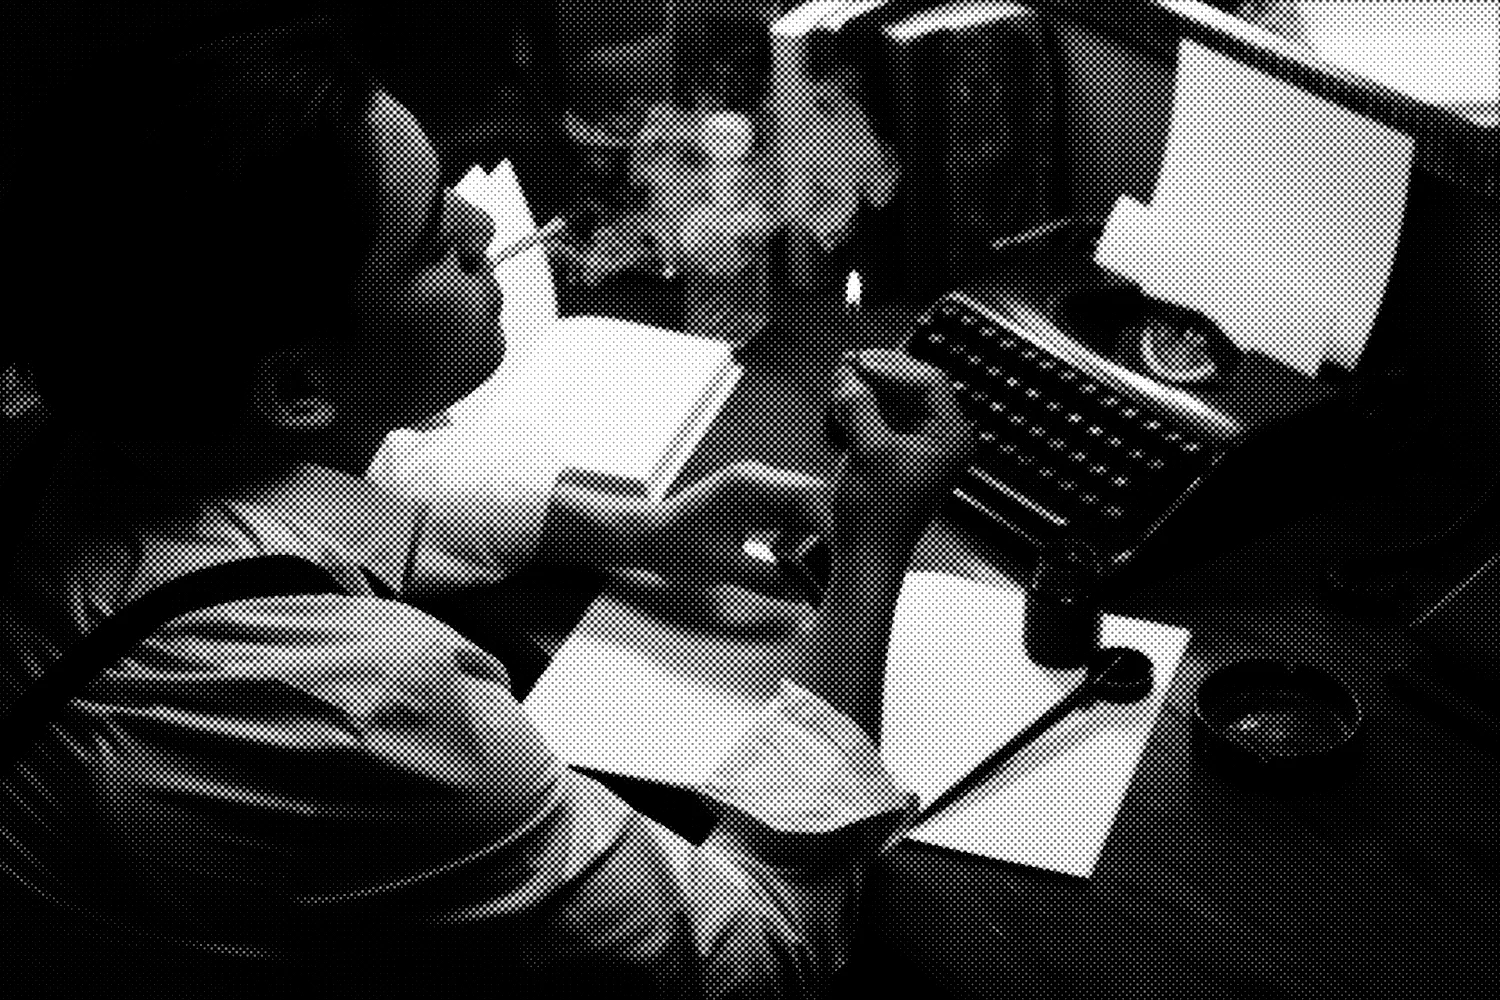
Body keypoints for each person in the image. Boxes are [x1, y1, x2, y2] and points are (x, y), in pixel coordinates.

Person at [2, 23, 971, 997]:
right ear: (298, 384)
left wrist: (636, 530)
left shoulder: (83, 430)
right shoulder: (372, 701)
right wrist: (869, 564)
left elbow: (355, 498)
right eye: (432, 239)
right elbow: (757, 955)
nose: (481, 227)